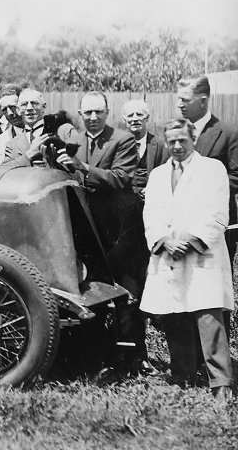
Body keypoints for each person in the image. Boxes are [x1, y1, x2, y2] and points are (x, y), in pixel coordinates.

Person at [54, 91, 149, 378]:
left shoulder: (122, 140)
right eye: (88, 113)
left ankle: (133, 357)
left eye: (98, 112)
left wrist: (83, 168)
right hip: (85, 230)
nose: (93, 118)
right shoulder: (75, 142)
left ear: (107, 112)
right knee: (90, 289)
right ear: (80, 115)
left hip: (117, 229)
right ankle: (96, 355)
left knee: (126, 292)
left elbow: (121, 178)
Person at [140, 118, 234, 399]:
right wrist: (164, 242)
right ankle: (182, 376)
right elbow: (151, 214)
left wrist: (192, 243)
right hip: (168, 253)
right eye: (172, 141)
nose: (177, 146)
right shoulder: (157, 174)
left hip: (201, 256)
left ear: (193, 138)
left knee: (208, 318)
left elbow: (218, 212)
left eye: (183, 140)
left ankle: (221, 383)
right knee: (174, 315)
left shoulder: (211, 169)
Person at [176, 76, 238, 235]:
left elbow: (236, 176)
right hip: (179, 222)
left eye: (185, 100)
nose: (179, 104)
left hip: (214, 223)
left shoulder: (228, 133)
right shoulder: (176, 132)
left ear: (203, 101)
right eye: (178, 99)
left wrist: (200, 189)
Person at [122, 100, 166, 199]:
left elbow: (166, 176)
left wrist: (154, 189)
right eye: (130, 116)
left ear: (147, 118)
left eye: (139, 114)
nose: (135, 119)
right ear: (124, 120)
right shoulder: (117, 145)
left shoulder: (161, 145)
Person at [3, 88, 49, 167]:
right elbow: (3, 170)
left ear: (44, 106)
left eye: (34, 103)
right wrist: (28, 155)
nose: (29, 108)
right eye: (24, 104)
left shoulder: (62, 132)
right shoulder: (12, 145)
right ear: (18, 110)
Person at [0, 84, 24, 165]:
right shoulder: (1, 142)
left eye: (13, 107)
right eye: (4, 109)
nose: (9, 113)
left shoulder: (40, 132)